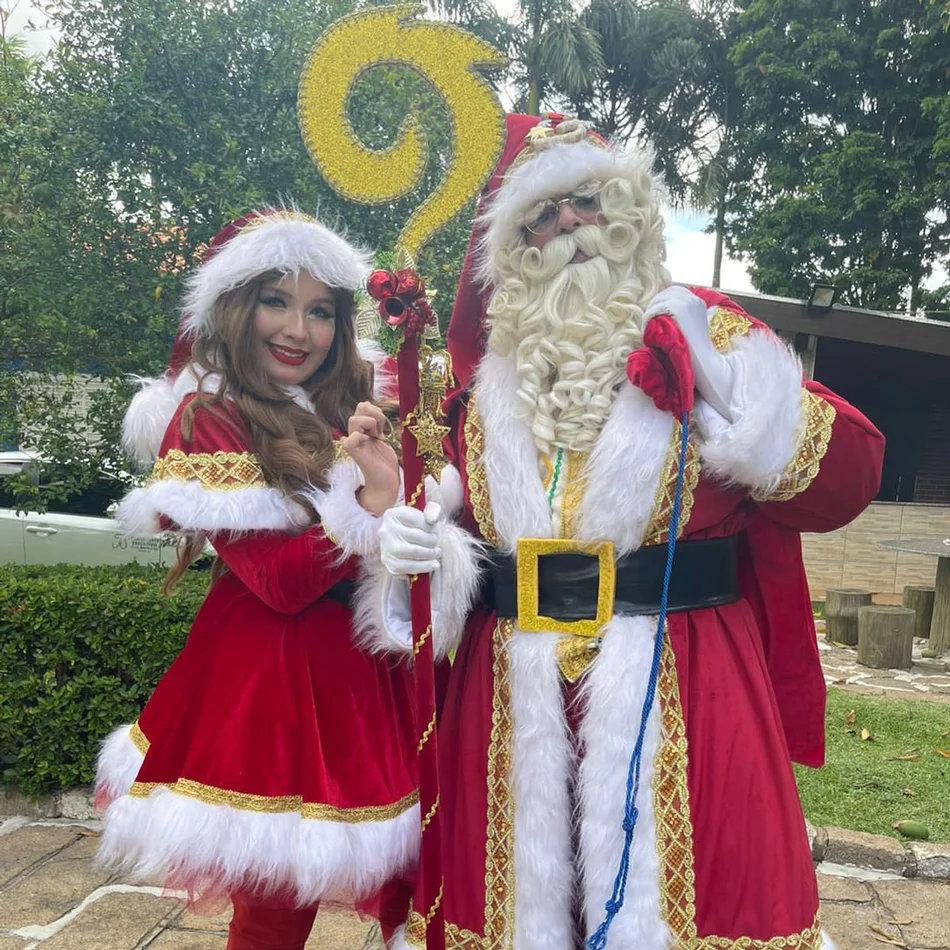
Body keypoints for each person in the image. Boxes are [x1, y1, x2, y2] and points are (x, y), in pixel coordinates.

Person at [358, 115, 886, 949]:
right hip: (508, 693)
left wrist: (729, 393)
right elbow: (453, 527)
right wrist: (418, 553)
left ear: (629, 213)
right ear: (516, 251)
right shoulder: (485, 387)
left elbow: (849, 481)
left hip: (687, 681)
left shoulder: (709, 333)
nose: (567, 224)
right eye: (541, 215)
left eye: (587, 201)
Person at [95, 208, 423, 949]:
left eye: (319, 311)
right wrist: (367, 504)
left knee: (422, 878)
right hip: (270, 690)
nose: (297, 331)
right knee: (275, 906)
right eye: (277, 301)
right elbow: (277, 582)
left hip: (376, 671)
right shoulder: (208, 417)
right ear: (237, 307)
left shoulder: (353, 410)